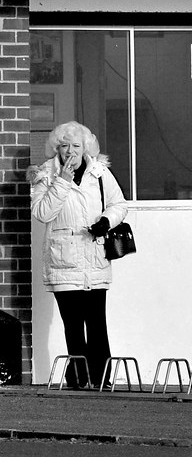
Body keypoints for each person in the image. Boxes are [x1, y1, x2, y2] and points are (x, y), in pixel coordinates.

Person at [29, 121, 128, 389]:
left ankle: (101, 378)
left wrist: (106, 221)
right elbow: (42, 213)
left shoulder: (99, 172)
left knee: (97, 323)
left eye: (76, 146)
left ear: (86, 148)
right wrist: (63, 181)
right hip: (63, 260)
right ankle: (78, 378)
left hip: (94, 258)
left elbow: (119, 204)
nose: (71, 151)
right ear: (56, 149)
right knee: (73, 325)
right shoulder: (45, 175)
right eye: (65, 146)